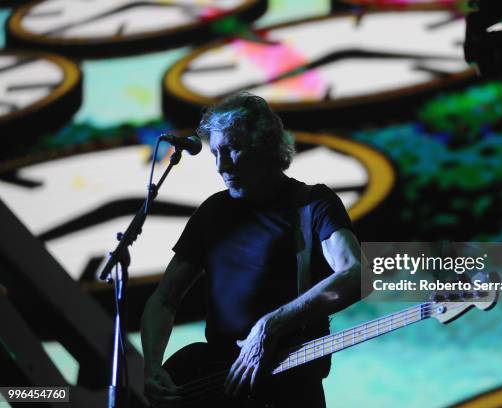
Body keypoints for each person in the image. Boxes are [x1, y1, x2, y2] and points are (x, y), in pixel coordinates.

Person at [141, 92, 364, 407]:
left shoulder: (313, 205)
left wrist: (271, 325)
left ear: (265, 145)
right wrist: (150, 366)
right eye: (215, 152)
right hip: (214, 387)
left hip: (289, 386)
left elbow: (355, 274)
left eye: (232, 149)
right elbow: (163, 300)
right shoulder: (211, 212)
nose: (221, 165)